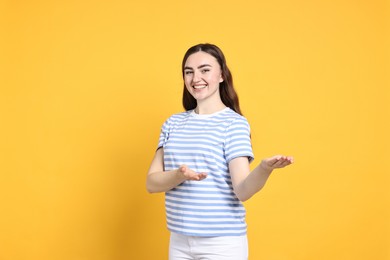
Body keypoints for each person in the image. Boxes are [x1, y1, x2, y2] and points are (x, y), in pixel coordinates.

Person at [146, 43, 294, 260]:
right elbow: (151, 183)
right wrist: (180, 175)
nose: (196, 78)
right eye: (189, 72)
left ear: (222, 75)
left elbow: (242, 190)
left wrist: (264, 169)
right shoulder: (172, 124)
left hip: (222, 244)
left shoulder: (233, 124)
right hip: (179, 240)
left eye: (205, 70)